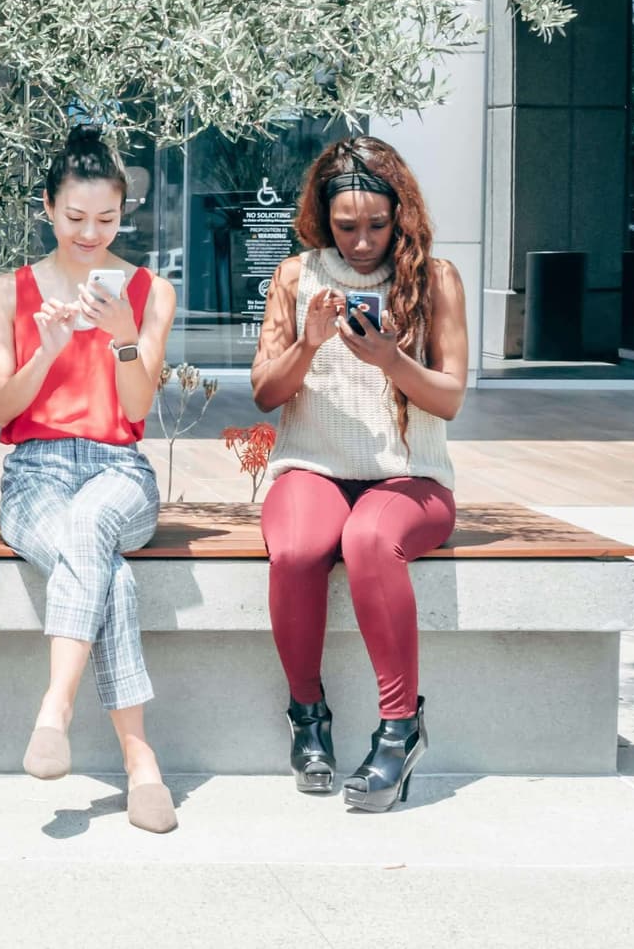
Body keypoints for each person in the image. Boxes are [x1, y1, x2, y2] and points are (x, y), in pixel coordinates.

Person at [250, 134, 467, 813]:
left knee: (369, 539)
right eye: (347, 227)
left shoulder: (436, 278)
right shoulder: (294, 276)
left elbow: (451, 398)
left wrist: (392, 361)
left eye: (378, 224)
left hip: (411, 478)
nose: (363, 240)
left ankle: (401, 730)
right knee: (295, 547)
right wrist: (308, 346)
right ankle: (307, 717)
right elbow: (264, 393)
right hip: (313, 467)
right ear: (322, 216)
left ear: (401, 213)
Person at [0, 127, 181, 834]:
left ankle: (55, 708)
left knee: (92, 522)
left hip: (118, 469)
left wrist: (125, 333)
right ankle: (140, 760)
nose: (91, 234)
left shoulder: (152, 292)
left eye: (106, 219)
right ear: (47, 207)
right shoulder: (8, 290)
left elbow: (133, 409)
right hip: (35, 471)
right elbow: (1, 410)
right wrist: (54, 349)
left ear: (123, 214)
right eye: (75, 218)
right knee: (110, 577)